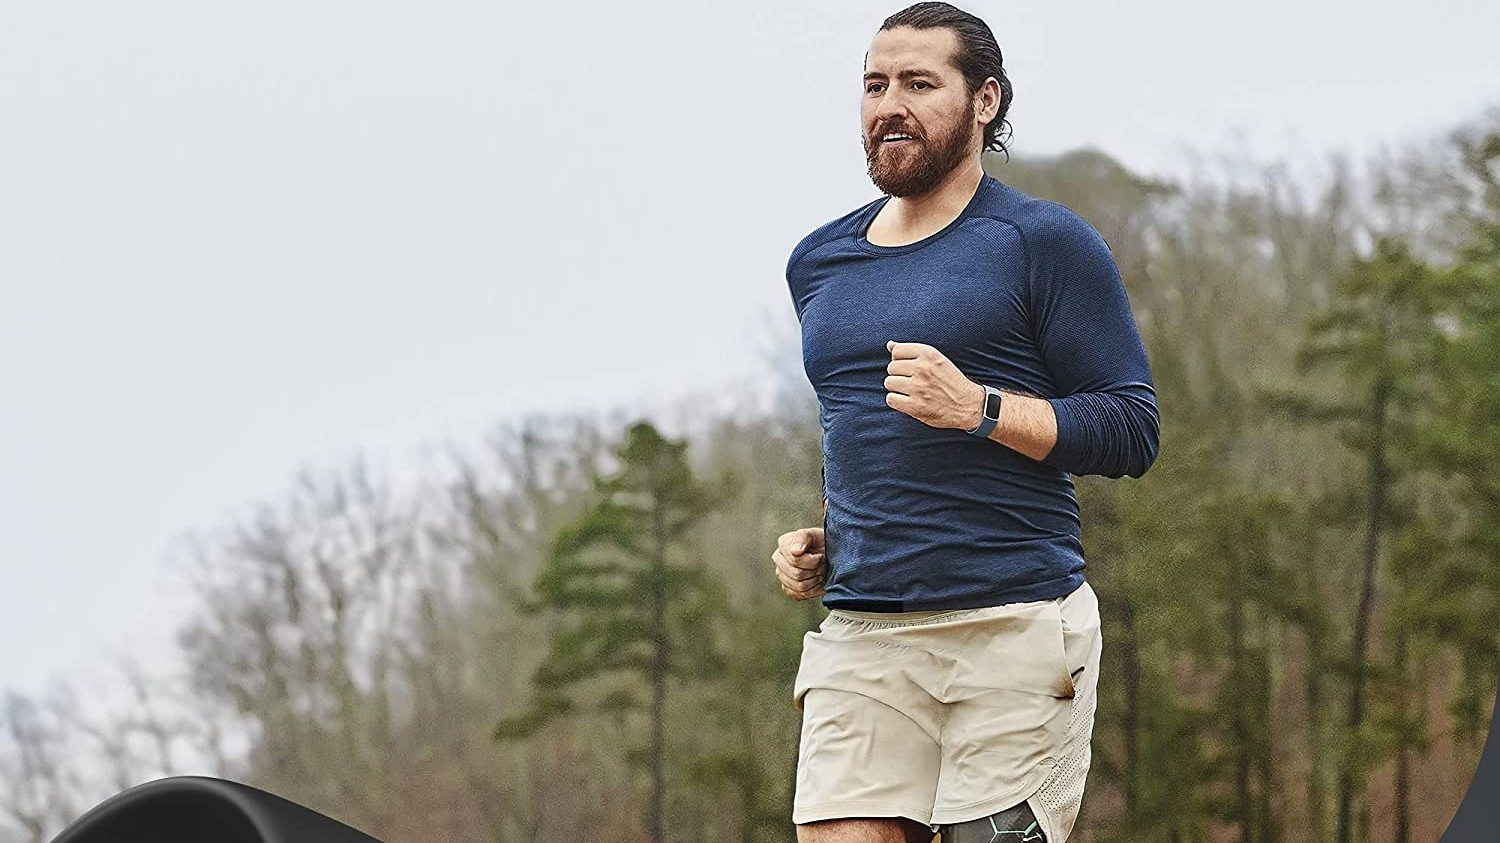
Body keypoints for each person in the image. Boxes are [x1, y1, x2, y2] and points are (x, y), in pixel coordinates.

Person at [771, 4, 1161, 842]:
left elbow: (1131, 426)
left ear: (984, 101)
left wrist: (978, 408)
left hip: (1013, 626)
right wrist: (834, 536)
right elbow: (860, 431)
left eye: (919, 82)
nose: (889, 105)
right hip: (865, 632)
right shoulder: (819, 262)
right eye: (875, 85)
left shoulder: (1041, 242)